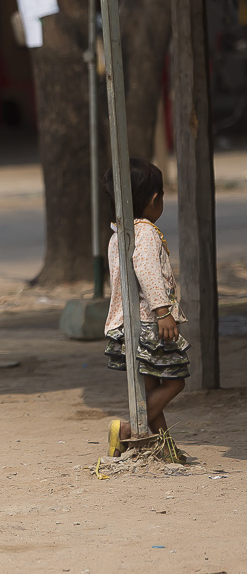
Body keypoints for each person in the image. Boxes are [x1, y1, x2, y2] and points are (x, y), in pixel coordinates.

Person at [103, 158, 188, 456]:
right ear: (155, 199)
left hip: (127, 323)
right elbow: (148, 271)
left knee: (150, 391)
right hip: (149, 323)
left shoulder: (118, 234)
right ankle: (128, 428)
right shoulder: (146, 232)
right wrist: (163, 312)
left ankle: (165, 448)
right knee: (176, 381)